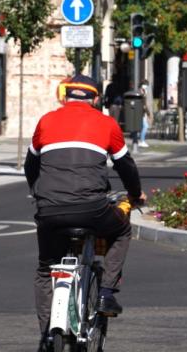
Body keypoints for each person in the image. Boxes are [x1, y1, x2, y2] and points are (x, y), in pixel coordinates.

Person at [24, 74, 145, 343]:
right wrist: (136, 195)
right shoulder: (107, 123)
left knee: (46, 269)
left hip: (49, 210)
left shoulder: (46, 121)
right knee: (122, 229)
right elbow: (126, 166)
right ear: (96, 99)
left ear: (65, 96)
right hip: (93, 209)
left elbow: (30, 165)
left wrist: (36, 192)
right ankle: (106, 293)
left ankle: (46, 336)